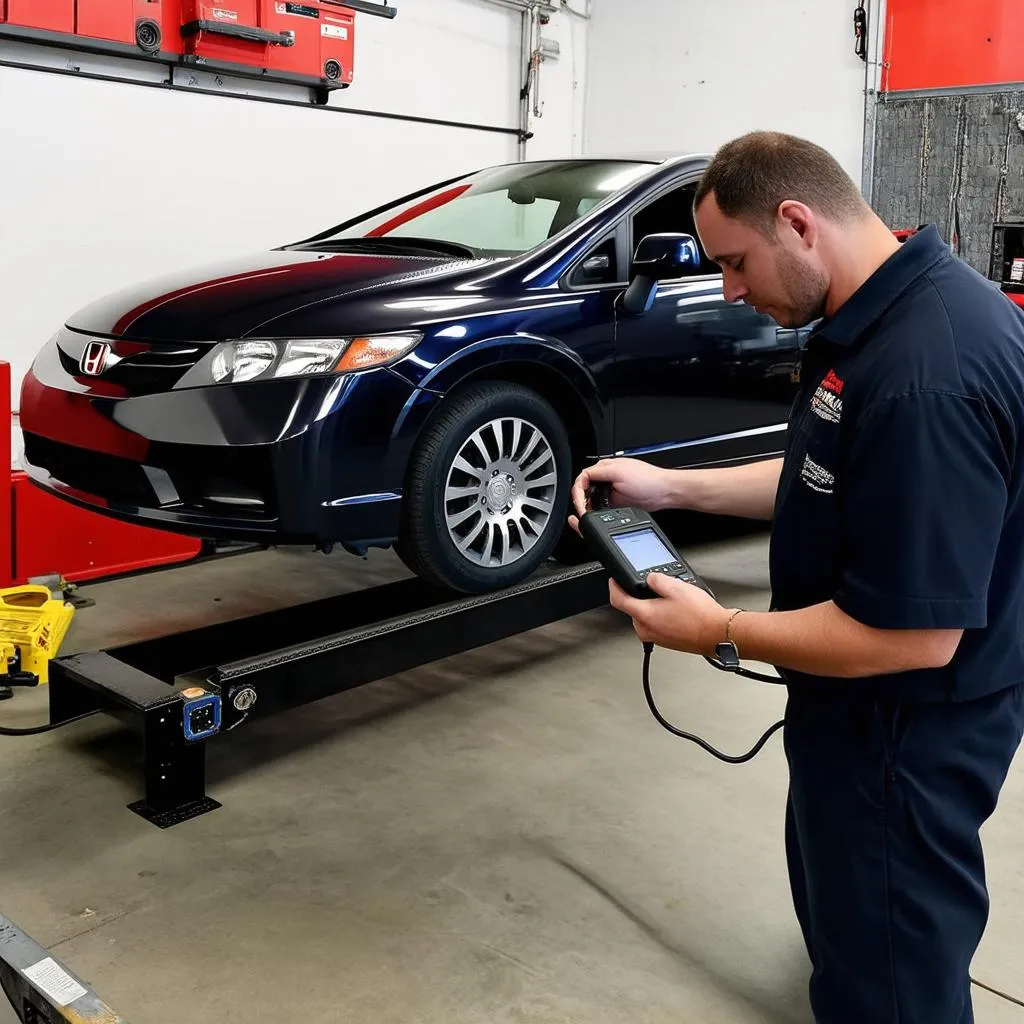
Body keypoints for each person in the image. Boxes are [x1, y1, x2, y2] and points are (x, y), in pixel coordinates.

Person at [570, 131, 1024, 1023]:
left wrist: (717, 631)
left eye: (735, 263)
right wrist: (675, 486)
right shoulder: (883, 314)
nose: (731, 290)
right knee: (855, 940)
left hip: (901, 734)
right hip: (855, 719)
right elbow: (828, 473)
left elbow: (910, 635)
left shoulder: (922, 374)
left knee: (892, 980)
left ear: (797, 222)